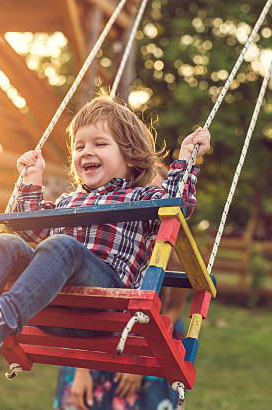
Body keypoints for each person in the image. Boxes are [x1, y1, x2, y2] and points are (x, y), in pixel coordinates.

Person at [0, 96, 211, 370]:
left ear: (130, 157)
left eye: (99, 144)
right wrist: (31, 180)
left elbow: (179, 205)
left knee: (62, 245)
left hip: (105, 304)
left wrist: (186, 159)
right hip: (50, 304)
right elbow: (31, 229)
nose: (86, 151)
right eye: (79, 146)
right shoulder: (67, 201)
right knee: (8, 241)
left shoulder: (142, 198)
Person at [53, 162, 191, 410]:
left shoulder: (172, 257)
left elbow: (171, 312)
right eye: (145, 193)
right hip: (96, 342)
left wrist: (139, 364)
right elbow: (82, 311)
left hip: (151, 344)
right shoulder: (112, 246)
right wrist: (82, 370)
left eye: (159, 193)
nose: (153, 203)